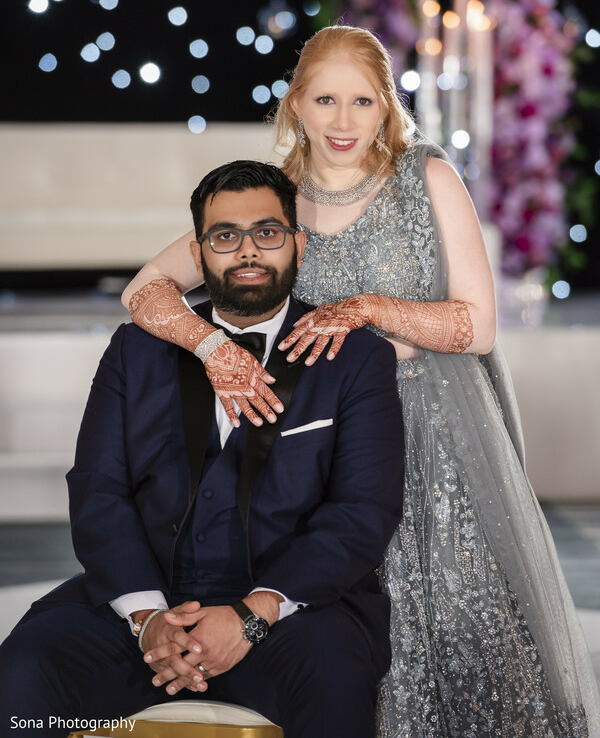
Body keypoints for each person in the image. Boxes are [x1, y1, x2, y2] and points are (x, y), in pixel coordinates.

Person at [122, 25, 600, 737]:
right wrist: (211, 347)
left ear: (387, 107)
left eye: (362, 101)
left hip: (438, 441)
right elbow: (145, 287)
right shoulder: (269, 200)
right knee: (339, 636)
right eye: (325, 100)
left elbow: (479, 325)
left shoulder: (426, 177)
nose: (343, 122)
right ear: (294, 106)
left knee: (469, 631)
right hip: (323, 446)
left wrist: (370, 309)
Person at [0, 161, 405, 738]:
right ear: (199, 253)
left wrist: (251, 617)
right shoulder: (135, 351)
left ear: (299, 244)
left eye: (267, 233)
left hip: (289, 614)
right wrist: (147, 620)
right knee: (25, 669)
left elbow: (362, 510)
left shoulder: (357, 358)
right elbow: (98, 488)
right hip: (147, 612)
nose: (247, 252)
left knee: (334, 675)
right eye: (225, 237)